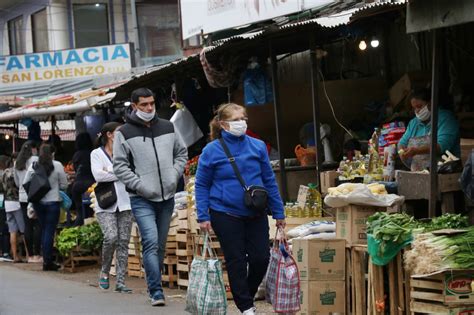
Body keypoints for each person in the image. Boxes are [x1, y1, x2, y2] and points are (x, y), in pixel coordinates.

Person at [195, 103, 286, 315]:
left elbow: (269, 180)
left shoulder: (257, 146)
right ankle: (246, 307)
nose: (241, 123)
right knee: (236, 260)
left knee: (260, 258)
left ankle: (247, 294)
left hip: (255, 211)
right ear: (223, 124)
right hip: (224, 213)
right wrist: (202, 215)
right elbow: (201, 184)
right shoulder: (211, 150)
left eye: (243, 119)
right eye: (236, 120)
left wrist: (279, 212)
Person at [113, 88, 187, 306]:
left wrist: (174, 175)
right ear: (134, 106)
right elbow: (120, 166)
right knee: (151, 241)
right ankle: (156, 291)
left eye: (151, 104)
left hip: (167, 196)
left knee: (160, 244)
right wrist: (140, 185)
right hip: (141, 197)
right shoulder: (123, 132)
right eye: (143, 104)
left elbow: (181, 153)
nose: (148, 108)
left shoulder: (168, 126)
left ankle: (154, 281)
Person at [91, 122, 133, 293]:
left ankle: (121, 281)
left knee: (124, 241)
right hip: (105, 203)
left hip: (126, 202)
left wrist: (110, 171)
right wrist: (120, 173)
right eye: (118, 132)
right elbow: (98, 175)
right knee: (111, 237)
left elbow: (132, 172)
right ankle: (105, 271)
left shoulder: (125, 151)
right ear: (109, 134)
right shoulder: (96, 154)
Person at [24, 144, 68, 271]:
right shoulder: (58, 165)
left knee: (44, 229)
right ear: (52, 153)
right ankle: (47, 261)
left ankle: (46, 259)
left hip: (38, 203)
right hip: (53, 202)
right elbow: (64, 184)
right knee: (49, 231)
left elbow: (25, 183)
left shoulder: (34, 166)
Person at [399, 88, 460, 171]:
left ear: (431, 103)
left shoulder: (446, 119)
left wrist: (416, 151)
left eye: (419, 106)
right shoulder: (413, 123)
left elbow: (442, 146)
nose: (417, 111)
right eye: (414, 108)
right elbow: (402, 143)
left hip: (443, 173)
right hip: (418, 174)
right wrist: (402, 151)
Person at [14, 141, 42, 263]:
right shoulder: (36, 159)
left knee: (27, 226)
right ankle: (37, 254)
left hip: (22, 196)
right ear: (34, 149)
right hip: (35, 195)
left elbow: (16, 182)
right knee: (37, 224)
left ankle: (29, 255)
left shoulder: (17, 163)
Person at [2, 156, 26, 263]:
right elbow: (18, 185)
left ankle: (15, 255)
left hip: (7, 202)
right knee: (23, 229)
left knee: (12, 231)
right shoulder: (15, 172)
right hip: (16, 201)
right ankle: (29, 254)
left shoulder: (3, 173)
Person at [71, 133, 95, 226]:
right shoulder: (92, 153)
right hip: (90, 185)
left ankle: (76, 231)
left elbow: (76, 170)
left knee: (80, 211)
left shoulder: (76, 155)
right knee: (91, 212)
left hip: (77, 186)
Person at [0, 155, 12, 261]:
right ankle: (5, 252)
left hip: (3, 202)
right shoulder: (6, 174)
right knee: (5, 228)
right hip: (4, 202)